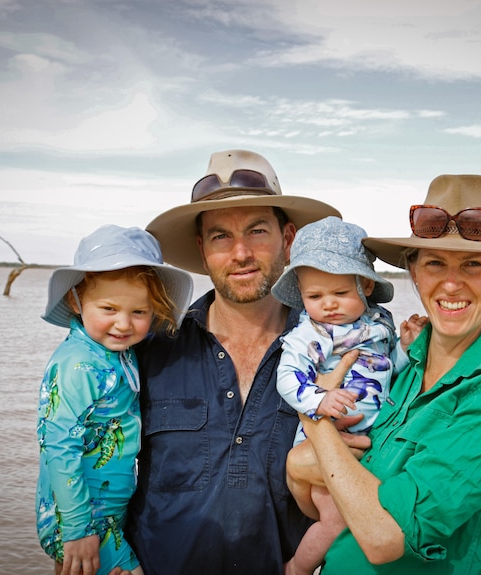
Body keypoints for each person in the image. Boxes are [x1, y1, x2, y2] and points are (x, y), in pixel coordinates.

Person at [286, 174, 481, 574]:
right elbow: (325, 497)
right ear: (414, 272)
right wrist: (301, 468)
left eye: (473, 263)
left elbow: (383, 536)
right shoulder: (402, 358)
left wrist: (313, 417)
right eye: (435, 263)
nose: (451, 283)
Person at [125, 149, 342, 574]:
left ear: (289, 238)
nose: (240, 253)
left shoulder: (335, 353)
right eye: (221, 236)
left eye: (257, 231)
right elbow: (91, 449)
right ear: (202, 249)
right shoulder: (149, 348)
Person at [36, 225, 193, 575]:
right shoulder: (78, 364)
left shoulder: (114, 353)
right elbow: (58, 445)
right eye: (108, 308)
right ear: (76, 301)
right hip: (80, 519)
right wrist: (77, 531)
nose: (123, 324)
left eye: (139, 312)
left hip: (107, 513)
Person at [270, 215, 423, 575]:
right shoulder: (311, 334)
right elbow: (288, 379)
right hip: (320, 437)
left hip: (362, 439)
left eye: (340, 293)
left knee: (360, 515)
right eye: (314, 296)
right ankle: (294, 569)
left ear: (366, 287)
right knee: (336, 521)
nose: (328, 305)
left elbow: (386, 371)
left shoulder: (377, 325)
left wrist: (404, 348)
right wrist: (319, 400)